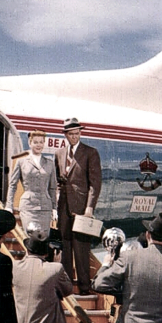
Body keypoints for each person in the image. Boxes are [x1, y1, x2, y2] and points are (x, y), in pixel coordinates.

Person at [55, 118, 102, 295]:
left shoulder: (90, 153)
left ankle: (84, 287)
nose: (74, 137)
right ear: (66, 135)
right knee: (65, 246)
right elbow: (59, 181)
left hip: (82, 207)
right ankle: (66, 286)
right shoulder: (59, 153)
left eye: (77, 133)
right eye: (71, 134)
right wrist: (56, 203)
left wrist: (90, 207)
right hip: (63, 207)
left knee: (81, 247)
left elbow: (95, 183)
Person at [5, 130, 57, 235]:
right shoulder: (21, 162)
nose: (39, 145)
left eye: (41, 142)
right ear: (30, 143)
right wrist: (9, 205)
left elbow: (52, 188)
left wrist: (54, 208)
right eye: (36, 142)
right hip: (28, 207)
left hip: (45, 208)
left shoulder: (50, 163)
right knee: (30, 238)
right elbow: (13, 185)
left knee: (43, 240)